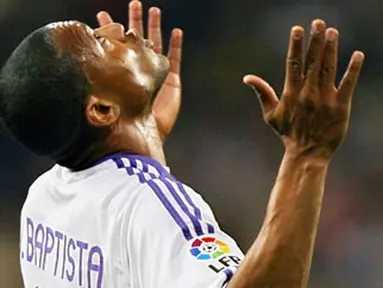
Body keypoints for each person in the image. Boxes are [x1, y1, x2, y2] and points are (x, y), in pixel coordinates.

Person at [0, 0, 364, 287]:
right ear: (102, 109)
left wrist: (145, 133)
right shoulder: (149, 204)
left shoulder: (41, 200)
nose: (115, 28)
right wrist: (307, 155)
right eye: (99, 42)